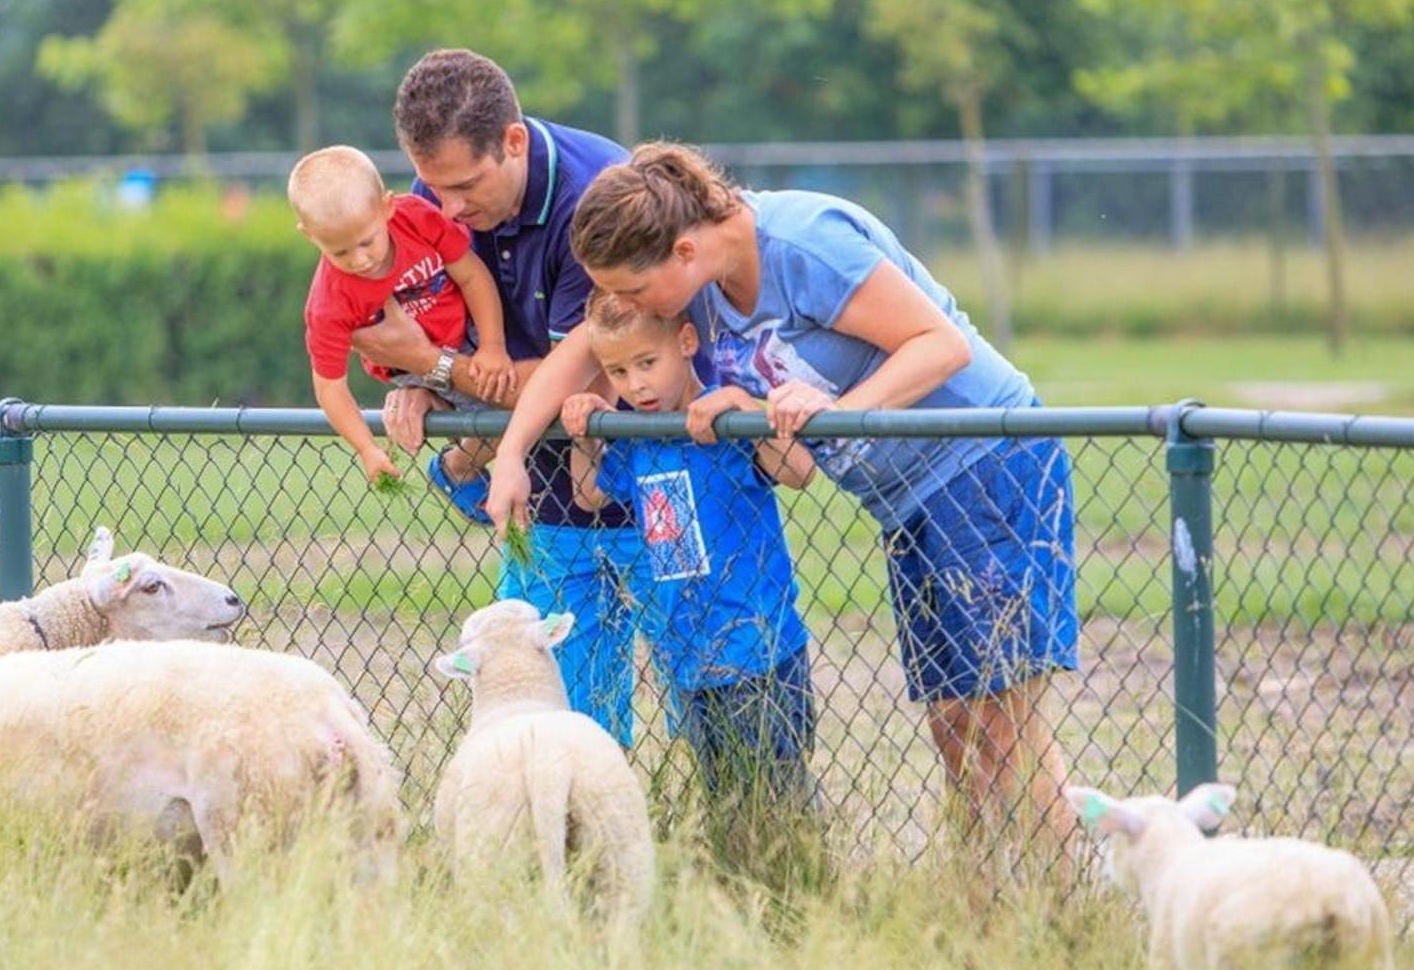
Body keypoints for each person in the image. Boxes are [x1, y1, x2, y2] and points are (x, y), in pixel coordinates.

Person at [485, 142, 1082, 873]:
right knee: (955, 723)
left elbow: (941, 344)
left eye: (635, 291)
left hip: (983, 466)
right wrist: (513, 453)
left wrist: (830, 411)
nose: (629, 310)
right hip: (903, 500)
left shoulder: (803, 242)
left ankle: (1064, 896)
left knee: (1002, 724)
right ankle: (984, 901)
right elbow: (581, 349)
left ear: (683, 249)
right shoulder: (693, 288)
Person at [351, 49, 644, 742]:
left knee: (711, 695)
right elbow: (432, 341)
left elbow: (576, 369)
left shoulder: (595, 195)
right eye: (430, 187)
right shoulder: (430, 205)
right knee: (549, 717)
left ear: (513, 142)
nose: (446, 209)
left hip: (634, 469)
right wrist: (419, 384)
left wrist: (431, 363)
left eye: (465, 186)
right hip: (540, 496)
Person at [563, 290, 819, 858]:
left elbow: (799, 471)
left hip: (758, 651)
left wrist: (745, 407)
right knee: (724, 800)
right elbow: (589, 496)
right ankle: (739, 895)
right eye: (617, 371)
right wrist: (585, 437)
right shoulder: (638, 437)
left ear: (685, 343)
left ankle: (801, 895)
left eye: (647, 363)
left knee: (778, 799)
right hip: (686, 657)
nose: (636, 385)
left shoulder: (724, 428)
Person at [291, 145, 518, 486]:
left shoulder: (415, 218)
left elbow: (472, 275)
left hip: (467, 330)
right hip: (411, 367)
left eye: (367, 242)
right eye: (340, 252)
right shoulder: (329, 302)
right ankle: (459, 471)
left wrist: (492, 347)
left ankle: (461, 458)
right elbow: (329, 388)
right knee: (518, 409)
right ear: (310, 236)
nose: (359, 260)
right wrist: (367, 448)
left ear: (387, 207)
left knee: (527, 397)